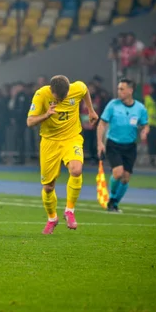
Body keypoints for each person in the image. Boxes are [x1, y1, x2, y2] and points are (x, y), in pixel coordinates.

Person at [27, 75, 98, 234]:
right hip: (49, 142)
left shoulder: (76, 88)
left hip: (71, 138)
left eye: (64, 96)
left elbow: (85, 89)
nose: (62, 99)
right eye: (59, 98)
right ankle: (52, 218)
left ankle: (69, 211)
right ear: (51, 91)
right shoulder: (41, 94)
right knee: (48, 187)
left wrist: (91, 111)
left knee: (76, 170)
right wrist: (46, 115)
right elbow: (30, 121)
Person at [97, 79, 149, 213]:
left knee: (125, 178)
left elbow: (145, 124)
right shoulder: (112, 105)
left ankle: (113, 202)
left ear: (130, 91)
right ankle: (112, 196)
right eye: (118, 88)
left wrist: (144, 131)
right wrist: (100, 142)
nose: (119, 91)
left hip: (130, 146)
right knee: (118, 173)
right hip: (114, 144)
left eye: (122, 89)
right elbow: (102, 124)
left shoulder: (140, 108)